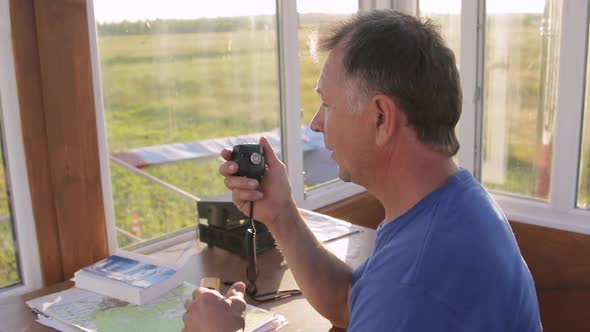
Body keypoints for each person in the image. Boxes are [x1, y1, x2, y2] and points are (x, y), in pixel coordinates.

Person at [182, 10, 542, 332]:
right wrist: (280, 213)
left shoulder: (415, 278)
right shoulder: (449, 203)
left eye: (327, 104)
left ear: (381, 118)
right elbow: (349, 303)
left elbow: (394, 298)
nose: (316, 123)